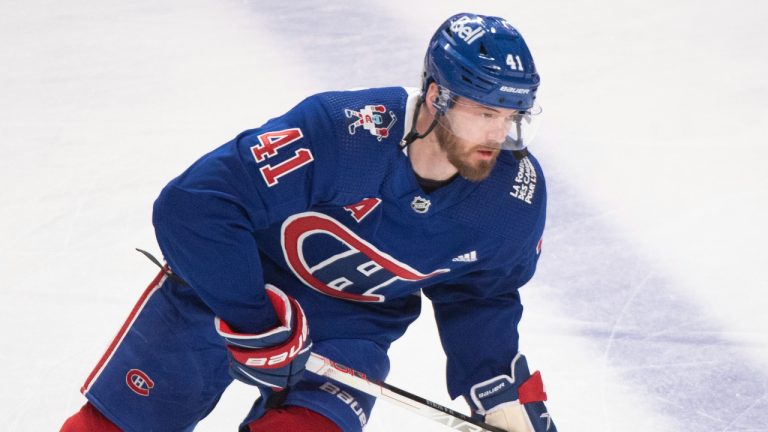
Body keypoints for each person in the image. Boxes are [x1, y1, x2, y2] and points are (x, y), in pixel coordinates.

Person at [61, 12, 556, 432]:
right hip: (232, 290)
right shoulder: (342, 131)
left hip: (349, 331)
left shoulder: (512, 199)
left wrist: (499, 395)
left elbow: (481, 294)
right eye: (486, 111)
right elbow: (194, 205)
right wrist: (252, 321)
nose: (501, 133)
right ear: (435, 98)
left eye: (512, 114)